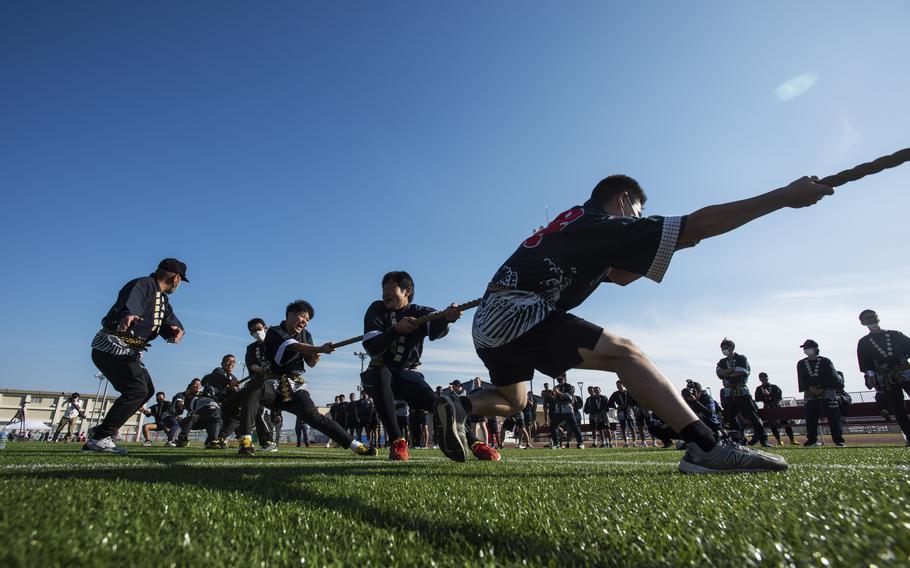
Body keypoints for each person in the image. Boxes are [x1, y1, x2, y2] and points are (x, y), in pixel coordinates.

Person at [434, 174, 832, 472]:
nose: (636, 220)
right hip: (520, 311)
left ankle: (460, 405)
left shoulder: (573, 223)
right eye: (636, 213)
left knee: (516, 400)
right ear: (624, 200)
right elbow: (695, 226)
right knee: (628, 353)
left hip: (488, 322)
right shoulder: (600, 225)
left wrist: (662, 244)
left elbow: (622, 275)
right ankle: (707, 446)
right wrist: (781, 197)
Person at [360, 271, 498, 461]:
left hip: (407, 374)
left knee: (436, 402)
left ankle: (473, 441)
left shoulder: (419, 312)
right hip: (378, 372)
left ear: (406, 291)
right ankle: (397, 441)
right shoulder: (376, 309)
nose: (385, 293)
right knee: (381, 373)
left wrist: (447, 317)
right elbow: (372, 346)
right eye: (383, 289)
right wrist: (396, 330)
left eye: (391, 288)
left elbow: (435, 323)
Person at [237, 300, 377, 457]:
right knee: (255, 385)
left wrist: (316, 355)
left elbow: (310, 363)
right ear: (290, 315)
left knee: (314, 416)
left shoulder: (306, 335)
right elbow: (292, 346)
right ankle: (245, 441)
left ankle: (355, 445)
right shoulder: (274, 332)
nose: (304, 322)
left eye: (307, 320)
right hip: (272, 385)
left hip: (294, 385)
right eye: (302, 317)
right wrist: (320, 348)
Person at [86, 258, 188, 454]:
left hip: (131, 350)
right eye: (180, 281)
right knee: (137, 390)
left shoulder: (162, 299)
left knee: (147, 390)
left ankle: (99, 432)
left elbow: (168, 322)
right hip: (112, 345)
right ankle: (99, 437)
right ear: (176, 278)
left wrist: (176, 330)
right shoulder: (144, 284)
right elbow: (131, 303)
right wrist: (129, 314)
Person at [857, 310, 910, 445]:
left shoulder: (895, 334)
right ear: (863, 323)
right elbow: (865, 363)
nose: (871, 320)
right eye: (867, 319)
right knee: (898, 407)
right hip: (885, 377)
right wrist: (871, 375)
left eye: (873, 317)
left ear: (878, 318)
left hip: (904, 371)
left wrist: (903, 360)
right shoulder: (864, 342)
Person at [716, 339, 770, 447]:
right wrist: (732, 370)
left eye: (725, 347)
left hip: (742, 391)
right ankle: (738, 440)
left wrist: (727, 373)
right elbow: (719, 373)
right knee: (732, 418)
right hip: (729, 393)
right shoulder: (722, 361)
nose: (723, 350)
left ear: (731, 348)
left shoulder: (741, 358)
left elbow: (742, 371)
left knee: (753, 416)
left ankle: (763, 440)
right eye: (722, 348)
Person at [797, 339, 846, 447]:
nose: (805, 350)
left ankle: (838, 440)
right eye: (804, 348)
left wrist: (822, 388)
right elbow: (802, 378)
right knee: (810, 416)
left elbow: (831, 376)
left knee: (833, 416)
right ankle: (812, 439)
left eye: (808, 348)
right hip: (810, 392)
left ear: (815, 349)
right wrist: (810, 388)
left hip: (827, 391)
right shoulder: (801, 363)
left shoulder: (825, 361)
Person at [754, 372, 796, 445]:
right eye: (762, 378)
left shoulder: (774, 387)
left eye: (765, 377)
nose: (764, 379)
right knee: (772, 424)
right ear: (760, 379)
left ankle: (792, 440)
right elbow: (757, 399)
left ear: (767, 378)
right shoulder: (759, 388)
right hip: (767, 407)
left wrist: (770, 396)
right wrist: (764, 396)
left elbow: (779, 397)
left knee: (785, 422)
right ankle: (779, 440)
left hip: (777, 407)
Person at [550, 374, 584, 448]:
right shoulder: (556, 387)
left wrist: (558, 392)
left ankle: (580, 443)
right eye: (558, 377)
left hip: (567, 408)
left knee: (574, 426)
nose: (559, 378)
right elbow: (555, 400)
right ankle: (556, 444)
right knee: (552, 426)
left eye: (560, 377)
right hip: (559, 409)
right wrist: (554, 396)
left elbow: (569, 397)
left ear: (564, 377)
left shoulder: (568, 386)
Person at [608, 381, 637, 447]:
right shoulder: (615, 394)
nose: (618, 386)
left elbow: (635, 401)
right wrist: (616, 407)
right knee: (623, 428)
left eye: (620, 385)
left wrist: (630, 407)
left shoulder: (628, 392)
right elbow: (610, 402)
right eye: (617, 385)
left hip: (629, 410)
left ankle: (634, 442)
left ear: (623, 385)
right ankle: (626, 443)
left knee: (632, 427)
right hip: (620, 411)